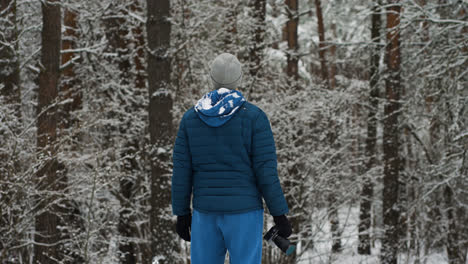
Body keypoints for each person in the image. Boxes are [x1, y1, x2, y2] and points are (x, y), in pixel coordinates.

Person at [171, 53, 292, 264]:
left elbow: (181, 171)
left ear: (211, 79)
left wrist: (181, 213)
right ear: (240, 80)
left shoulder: (191, 119)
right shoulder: (255, 117)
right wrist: (279, 214)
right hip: (245, 214)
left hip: (205, 214)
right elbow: (266, 171)